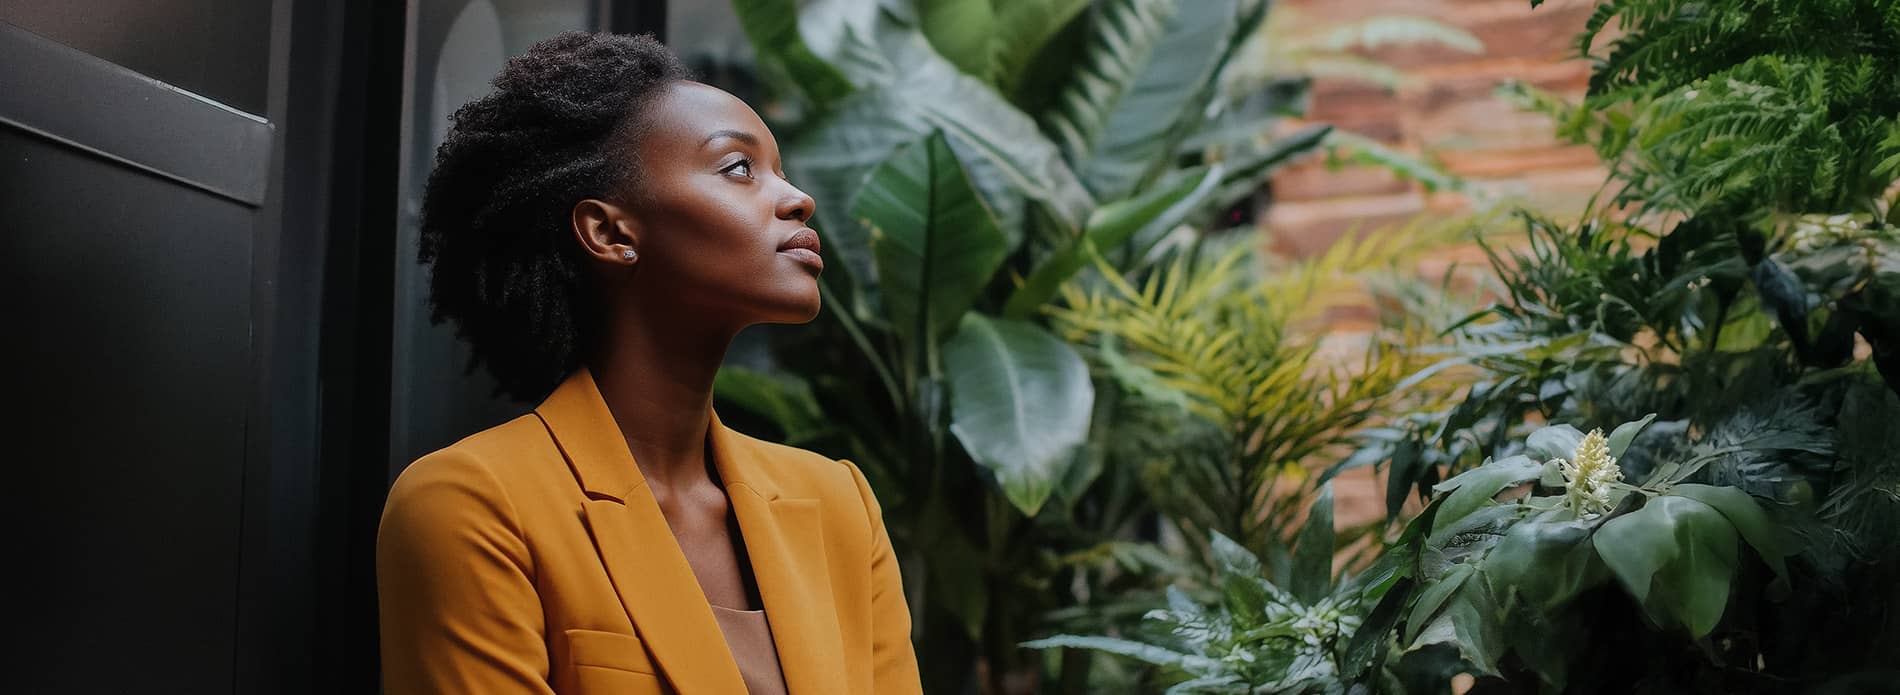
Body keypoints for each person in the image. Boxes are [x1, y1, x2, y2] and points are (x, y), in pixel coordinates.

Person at [375, 32, 922, 695]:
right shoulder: (473, 507)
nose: (796, 197)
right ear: (609, 232)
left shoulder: (839, 504)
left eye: (779, 168)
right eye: (738, 169)